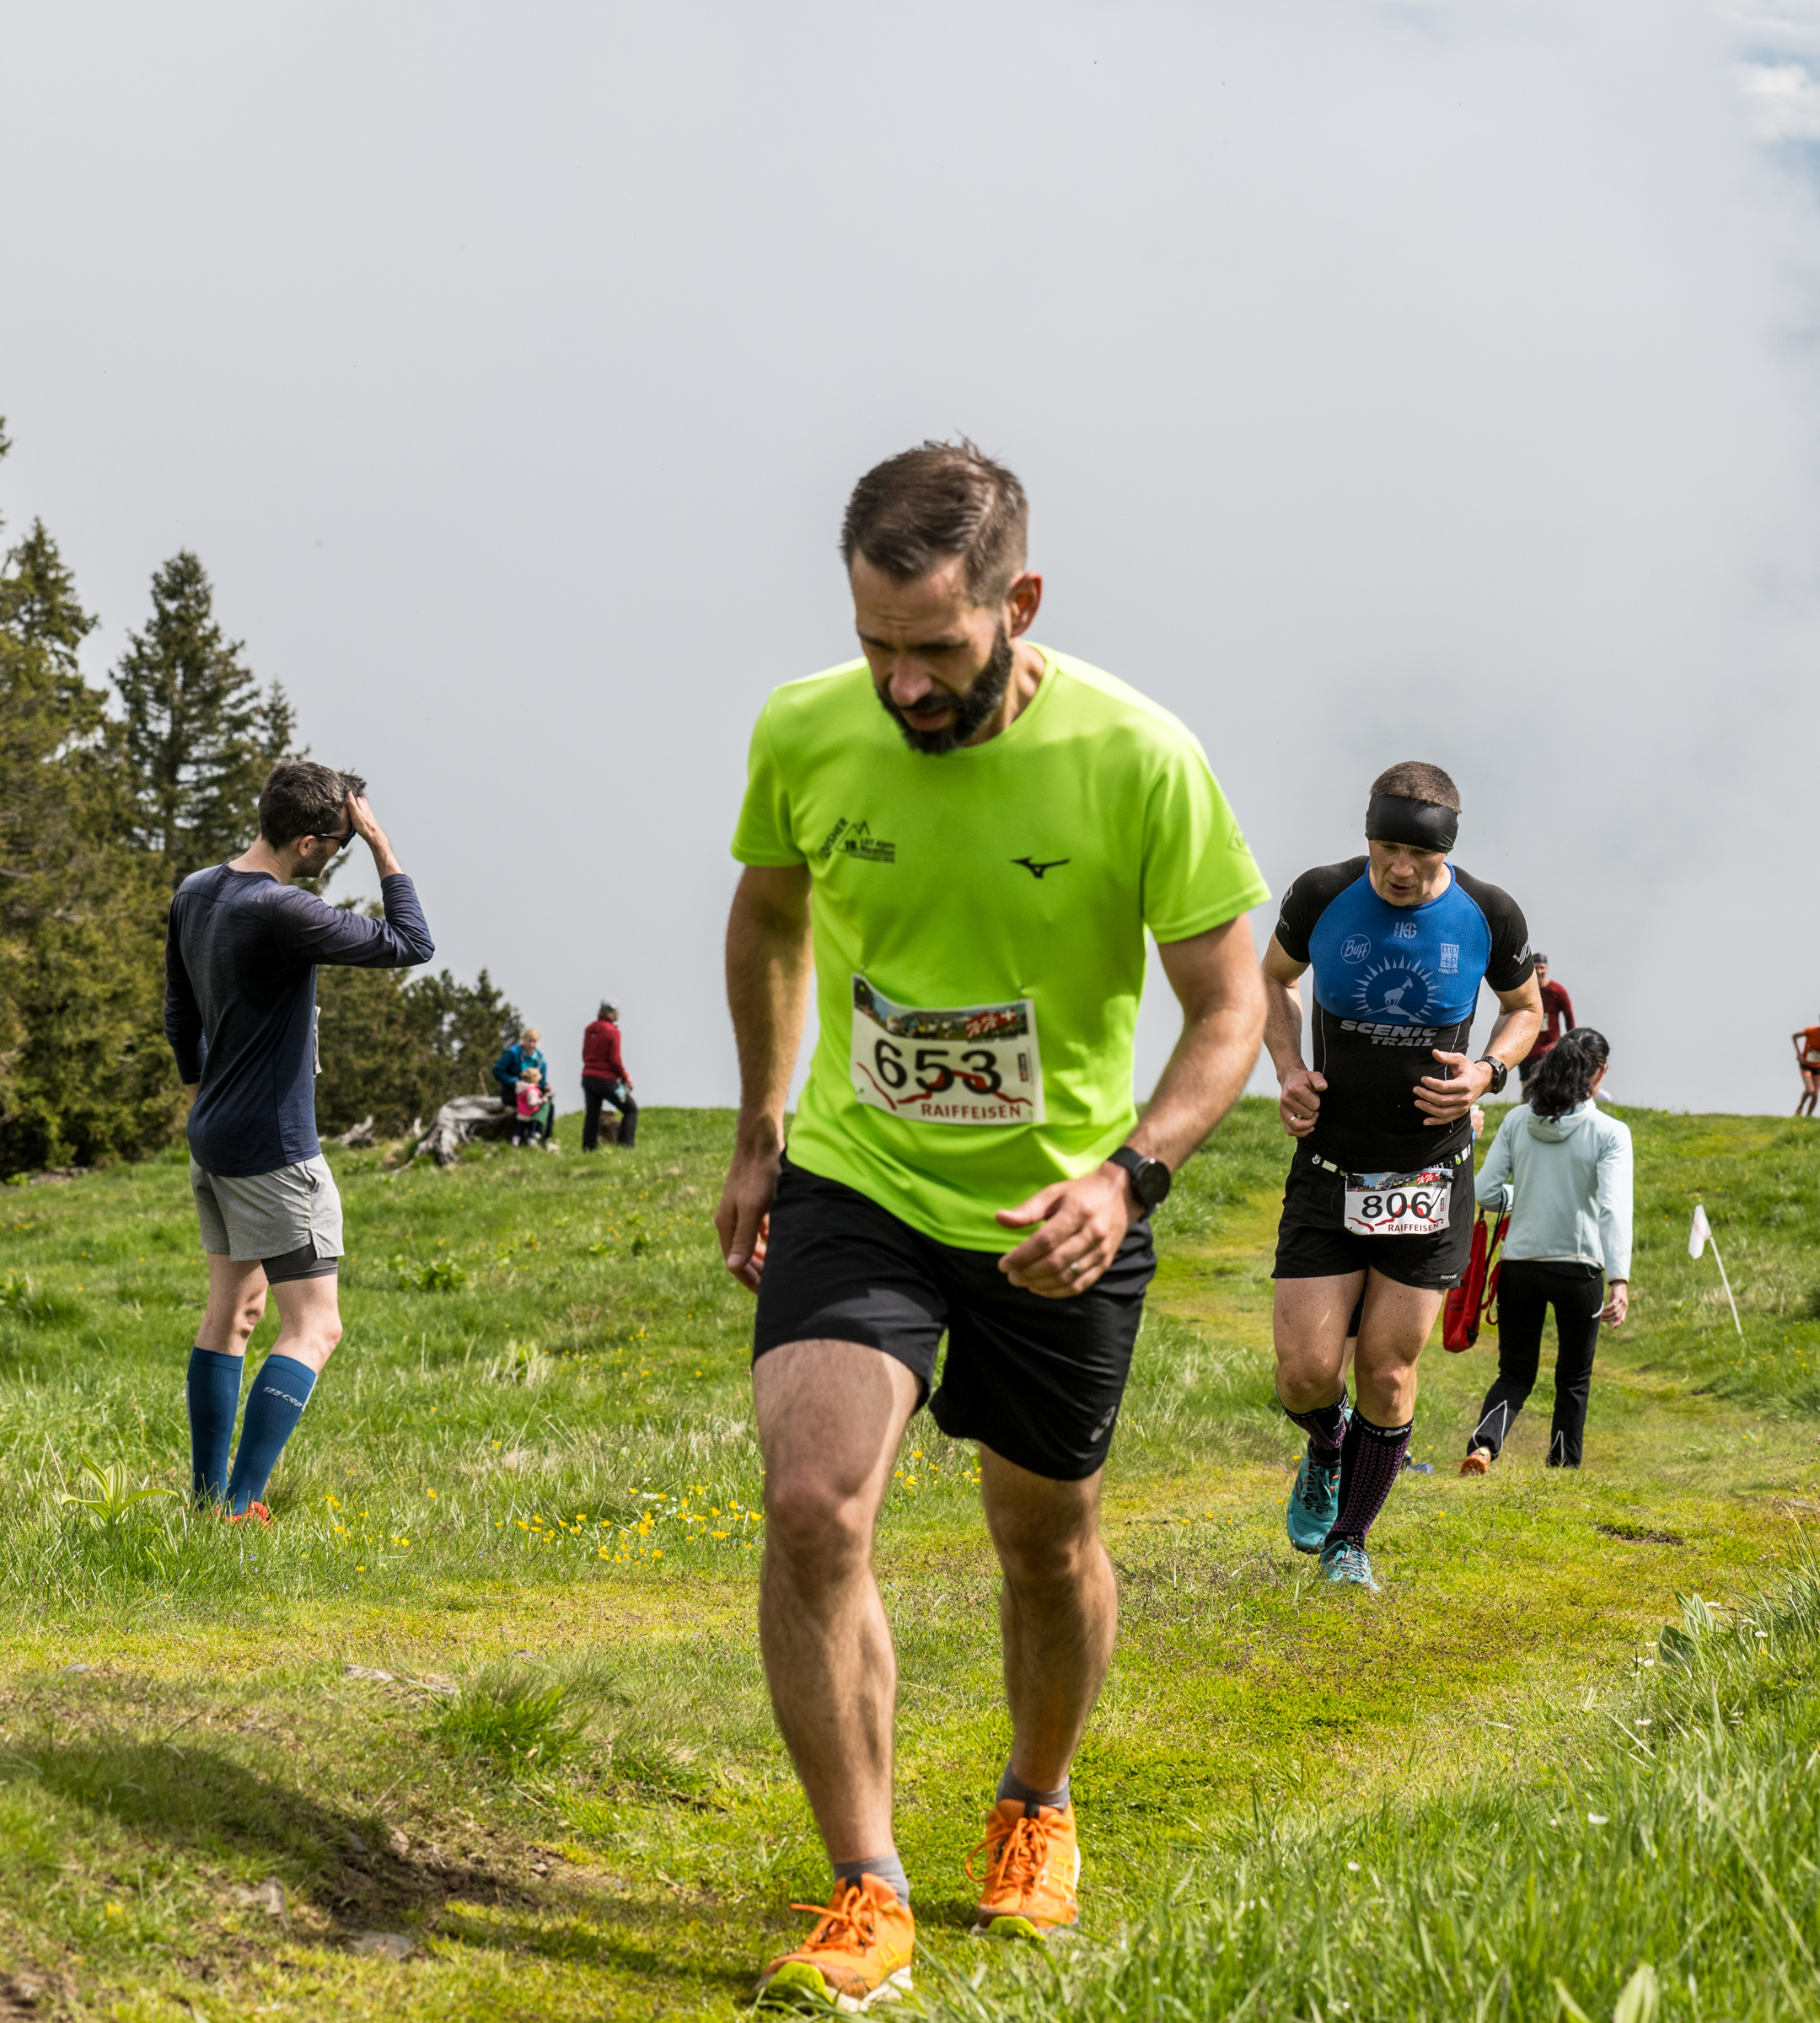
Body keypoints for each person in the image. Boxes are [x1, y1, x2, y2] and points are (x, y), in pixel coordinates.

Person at [720, 439, 1268, 1998]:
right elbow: (769, 915)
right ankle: (867, 1884)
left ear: (1018, 603)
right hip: (862, 1181)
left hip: (1059, 1209)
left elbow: (1228, 1010)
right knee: (813, 1506)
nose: (902, 685)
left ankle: (1036, 1799)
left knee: (1045, 1539)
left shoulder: (1142, 758)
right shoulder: (804, 730)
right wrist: (762, 1128)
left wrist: (1128, 1176)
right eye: (874, 646)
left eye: (937, 648)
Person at [1264, 761, 1543, 1593]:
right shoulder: (1322, 895)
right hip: (1329, 1163)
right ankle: (1329, 1444)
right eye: (1387, 849)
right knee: (1305, 1375)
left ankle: (1349, 1543)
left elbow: (1525, 1009)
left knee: (1387, 1369)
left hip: (1430, 1172)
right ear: (1369, 837)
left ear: (1445, 851)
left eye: (1419, 856)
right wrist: (1287, 1067)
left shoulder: (1489, 914)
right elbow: (1272, 980)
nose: (1399, 869)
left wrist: (1488, 1073)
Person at [164, 762, 433, 1524]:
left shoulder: (196, 892)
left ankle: (207, 1502)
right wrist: (382, 845)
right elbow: (412, 942)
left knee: (233, 1313)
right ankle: (240, 1505)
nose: (341, 853)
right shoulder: (282, 909)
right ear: (310, 841)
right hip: (275, 1151)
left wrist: (208, 1096)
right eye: (340, 843)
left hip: (215, 1140)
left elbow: (180, 1016)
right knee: (316, 1325)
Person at [1463, 1028, 1630, 1472]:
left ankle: (1483, 1447)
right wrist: (1619, 1279)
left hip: (1519, 1266)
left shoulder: (1517, 1120)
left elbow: (1485, 1192)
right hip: (1579, 1269)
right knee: (1573, 1378)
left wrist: (1525, 1197)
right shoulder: (1610, 1132)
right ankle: (1561, 1466)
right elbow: (1612, 1208)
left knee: (1515, 1372)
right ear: (1599, 1072)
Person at [1517, 952, 1576, 1097]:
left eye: (1542, 967)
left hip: (1550, 1050)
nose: (1539, 971)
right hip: (1527, 1050)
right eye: (1536, 968)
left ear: (1547, 968)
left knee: (1549, 1091)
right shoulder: (1524, 991)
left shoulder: (1557, 991)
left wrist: (1572, 1043)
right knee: (1528, 1093)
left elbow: (1569, 1018)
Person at [582, 1001, 638, 1151]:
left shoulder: (590, 1029)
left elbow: (585, 1054)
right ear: (612, 1012)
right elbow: (615, 1060)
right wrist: (625, 1077)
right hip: (606, 1080)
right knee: (630, 1109)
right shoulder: (613, 1031)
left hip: (588, 1078)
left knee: (592, 1115)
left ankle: (588, 1148)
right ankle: (626, 1146)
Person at [491, 1025, 555, 1148]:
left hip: (532, 1093)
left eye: (534, 1041)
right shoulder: (512, 1053)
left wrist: (545, 1086)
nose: (532, 1044)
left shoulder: (540, 1059)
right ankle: (522, 1137)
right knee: (531, 1104)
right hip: (512, 1092)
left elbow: (541, 1080)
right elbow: (498, 1071)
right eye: (529, 1041)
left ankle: (542, 1137)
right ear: (523, 1040)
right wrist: (514, 1082)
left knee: (548, 1105)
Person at [510, 1066, 545, 1148]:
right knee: (531, 1130)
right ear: (534, 1079)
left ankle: (515, 1142)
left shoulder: (520, 1087)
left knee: (518, 1130)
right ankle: (531, 1144)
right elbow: (532, 1103)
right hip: (530, 1114)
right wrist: (541, 1101)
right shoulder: (531, 1090)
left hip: (520, 1113)